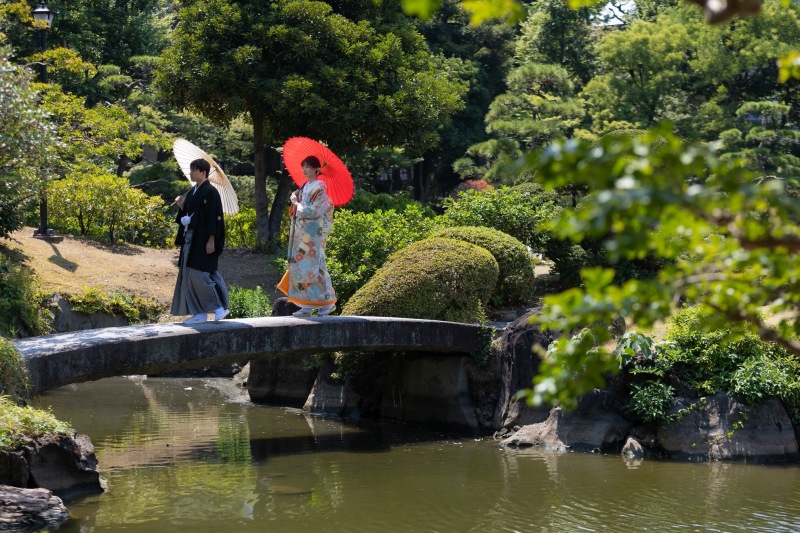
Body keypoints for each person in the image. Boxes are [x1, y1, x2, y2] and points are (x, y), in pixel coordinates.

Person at [171, 158, 230, 324]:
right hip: (191, 238)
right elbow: (189, 214)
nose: (190, 173)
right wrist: (182, 207)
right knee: (188, 274)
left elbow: (215, 217)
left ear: (203, 172)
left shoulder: (211, 192)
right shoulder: (192, 192)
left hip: (204, 239)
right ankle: (199, 313)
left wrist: (212, 239)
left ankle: (219, 307)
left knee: (200, 274)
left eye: (193, 170)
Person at [279, 155, 337, 317]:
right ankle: (306, 305)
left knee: (315, 266)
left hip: (312, 232)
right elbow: (299, 205)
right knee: (301, 267)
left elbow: (314, 210)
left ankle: (328, 301)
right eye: (303, 166)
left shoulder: (320, 187)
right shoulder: (305, 186)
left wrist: (297, 204)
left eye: (308, 166)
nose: (305, 169)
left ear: (317, 169)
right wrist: (294, 199)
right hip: (302, 232)